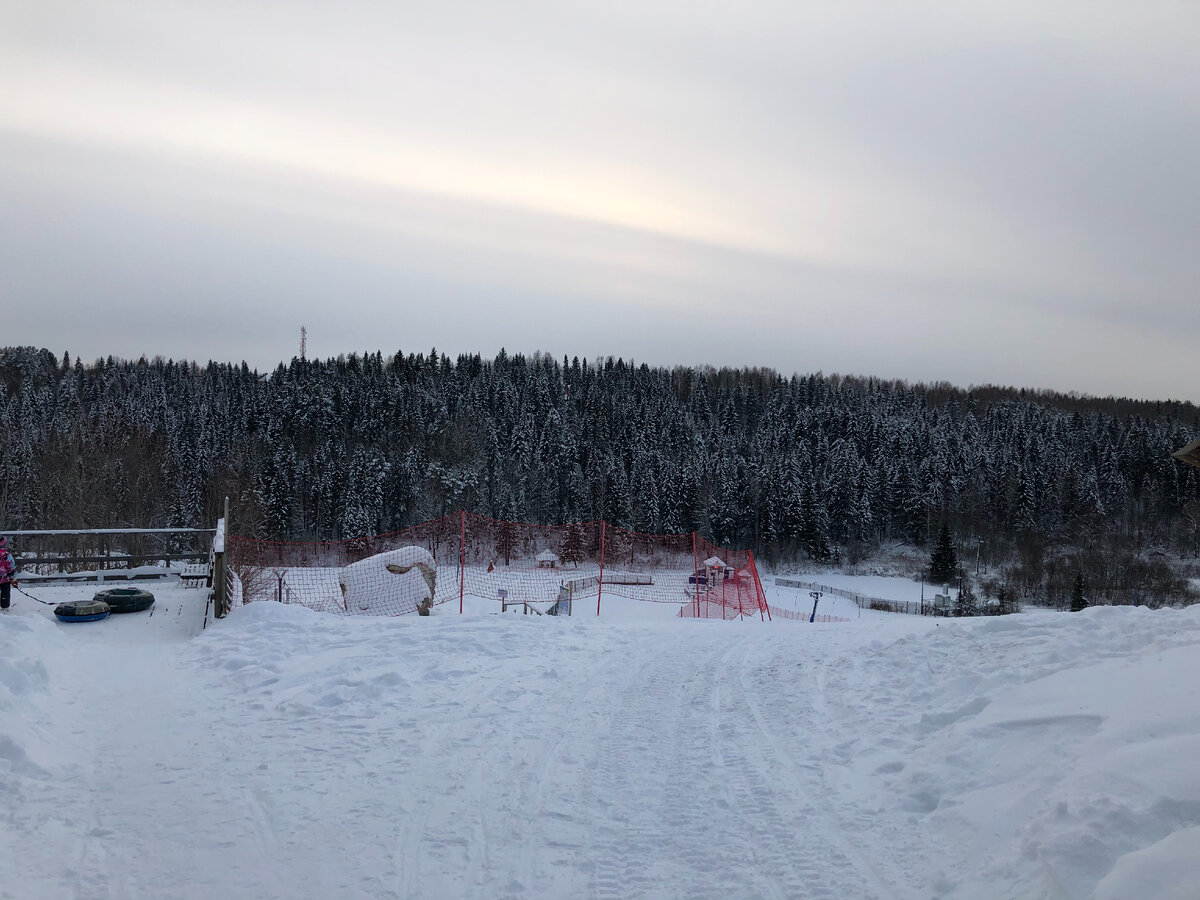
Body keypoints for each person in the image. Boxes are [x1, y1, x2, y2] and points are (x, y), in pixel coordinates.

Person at [0, 536, 16, 610]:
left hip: (4, 578)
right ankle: (5, 607)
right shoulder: (7, 555)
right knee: (5, 594)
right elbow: (12, 567)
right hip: (5, 579)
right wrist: (13, 577)